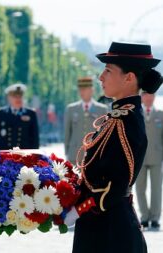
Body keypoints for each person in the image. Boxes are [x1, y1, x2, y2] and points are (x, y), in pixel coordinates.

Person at [64, 42, 163, 253]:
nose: (100, 77)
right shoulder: (119, 116)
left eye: (108, 71)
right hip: (102, 226)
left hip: (110, 231)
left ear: (129, 77)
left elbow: (113, 185)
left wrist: (77, 209)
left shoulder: (126, 120)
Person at [64, 77, 108, 164]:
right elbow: (67, 133)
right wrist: (67, 152)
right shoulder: (71, 109)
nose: (81, 92)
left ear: (92, 90)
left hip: (94, 155)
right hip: (74, 155)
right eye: (80, 89)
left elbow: (105, 134)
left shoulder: (102, 109)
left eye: (84, 89)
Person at [136, 91, 162, 230]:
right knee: (140, 188)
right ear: (142, 97)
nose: (149, 98)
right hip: (140, 157)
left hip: (157, 156)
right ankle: (145, 217)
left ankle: (155, 217)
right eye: (146, 94)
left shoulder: (160, 114)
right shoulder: (136, 114)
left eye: (152, 95)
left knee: (156, 188)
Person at [0, 83, 39, 149]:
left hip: (24, 154)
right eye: (15, 97)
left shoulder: (30, 113)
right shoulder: (0, 113)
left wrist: (35, 155)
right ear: (9, 98)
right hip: (5, 154)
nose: (18, 99)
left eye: (20, 96)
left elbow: (35, 138)